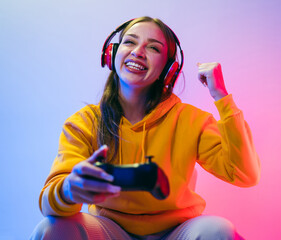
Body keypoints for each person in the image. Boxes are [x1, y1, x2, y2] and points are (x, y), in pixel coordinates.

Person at [30, 16, 261, 240]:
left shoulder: (191, 120)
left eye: (154, 48)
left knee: (218, 231)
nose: (138, 51)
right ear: (112, 54)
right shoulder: (85, 122)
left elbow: (245, 174)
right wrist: (70, 189)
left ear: (169, 69)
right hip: (109, 230)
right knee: (51, 228)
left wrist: (221, 97)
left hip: (176, 231)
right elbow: (48, 205)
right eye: (130, 41)